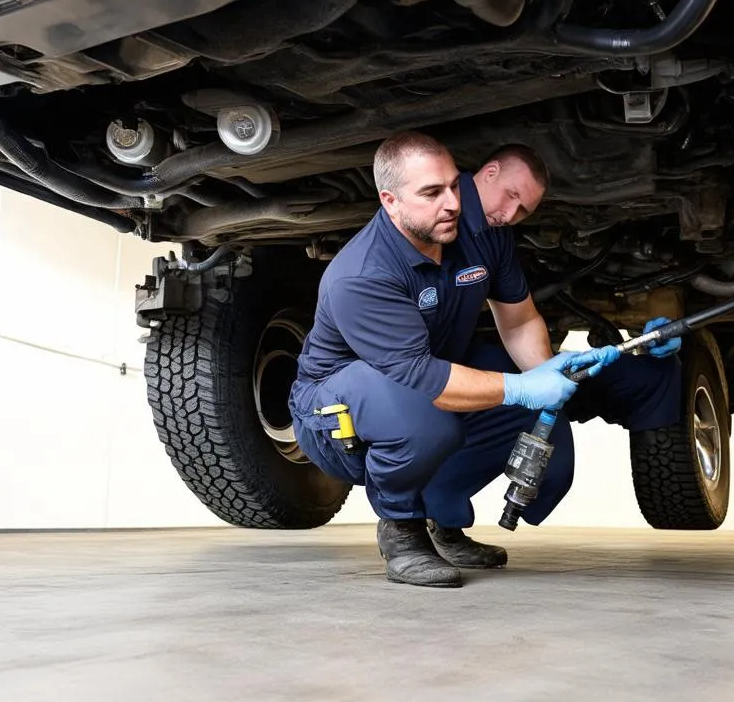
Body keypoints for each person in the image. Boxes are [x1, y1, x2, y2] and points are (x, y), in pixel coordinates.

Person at [288, 133, 681, 588]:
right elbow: (418, 374)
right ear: (390, 201)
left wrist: (547, 377)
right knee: (425, 415)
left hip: (422, 376)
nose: (453, 202)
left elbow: (518, 321)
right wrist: (518, 389)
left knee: (534, 421)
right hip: (333, 406)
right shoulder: (363, 274)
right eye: (432, 193)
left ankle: (442, 518)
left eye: (454, 186)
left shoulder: (480, 238)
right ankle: (402, 528)